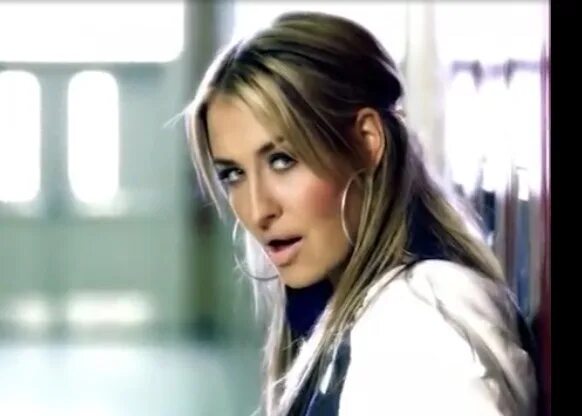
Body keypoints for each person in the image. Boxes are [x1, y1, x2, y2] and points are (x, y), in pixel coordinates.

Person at [184, 11, 538, 416]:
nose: (257, 209)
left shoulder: (418, 326)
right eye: (233, 174)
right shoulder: (354, 309)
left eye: (282, 160)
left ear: (368, 142)